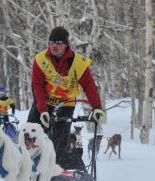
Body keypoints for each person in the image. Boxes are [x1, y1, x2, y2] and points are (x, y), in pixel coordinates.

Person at [27, 26, 104, 169]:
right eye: (51, 42)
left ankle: (58, 172)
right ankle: (32, 166)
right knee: (31, 132)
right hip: (44, 102)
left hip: (66, 104)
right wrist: (43, 110)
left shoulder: (78, 63)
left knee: (60, 140)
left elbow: (89, 86)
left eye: (58, 42)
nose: (54, 46)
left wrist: (97, 108)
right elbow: (37, 85)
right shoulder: (40, 59)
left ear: (65, 45)